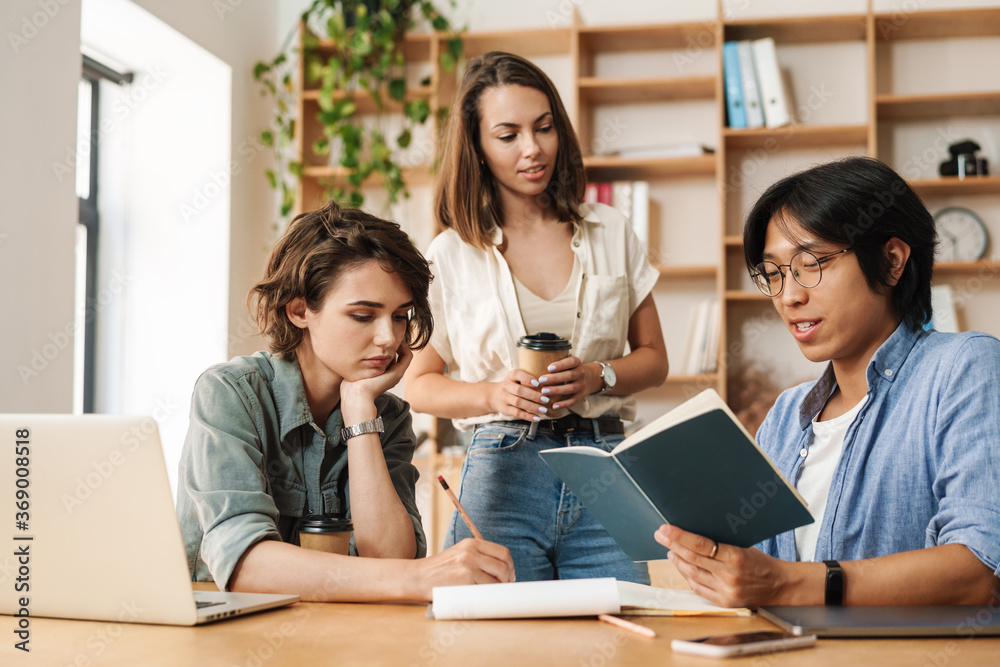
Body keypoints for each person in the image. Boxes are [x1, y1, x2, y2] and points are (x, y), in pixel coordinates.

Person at [654, 156, 1000, 607]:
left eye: (812, 263)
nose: (790, 296)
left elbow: (983, 570)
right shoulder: (786, 415)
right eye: (774, 274)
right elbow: (757, 577)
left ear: (891, 261)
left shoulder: (964, 367)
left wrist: (788, 584)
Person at [403, 51, 669, 583]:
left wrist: (598, 374)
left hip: (604, 462)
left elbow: (654, 360)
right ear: (477, 147)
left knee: (621, 624)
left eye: (544, 128)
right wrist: (492, 395)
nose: (533, 148)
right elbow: (418, 384)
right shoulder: (452, 253)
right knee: (499, 629)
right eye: (508, 135)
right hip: (502, 469)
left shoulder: (610, 230)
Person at [177, 200, 514, 602]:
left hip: (336, 628)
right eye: (363, 316)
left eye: (400, 316)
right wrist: (418, 578)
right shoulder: (229, 394)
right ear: (300, 310)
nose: (389, 338)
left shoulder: (385, 415)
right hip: (228, 630)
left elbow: (389, 557)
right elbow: (245, 566)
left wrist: (359, 412)